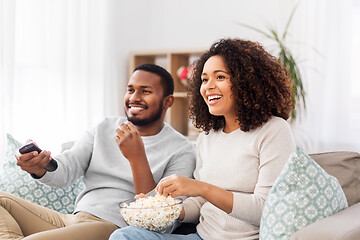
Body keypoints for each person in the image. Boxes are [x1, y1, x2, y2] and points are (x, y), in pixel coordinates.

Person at [109, 38, 296, 240]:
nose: (208, 87)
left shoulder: (274, 130)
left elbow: (266, 209)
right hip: (201, 237)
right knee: (124, 236)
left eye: (220, 77)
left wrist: (201, 188)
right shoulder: (207, 136)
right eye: (204, 79)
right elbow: (199, 204)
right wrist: (164, 208)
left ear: (246, 82)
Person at [0, 64, 196, 240]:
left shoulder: (182, 150)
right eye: (130, 90)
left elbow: (159, 219)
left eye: (145, 91)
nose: (134, 98)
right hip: (73, 220)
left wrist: (137, 158)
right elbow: (66, 170)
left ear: (168, 101)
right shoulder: (104, 127)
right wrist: (40, 166)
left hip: (113, 228)